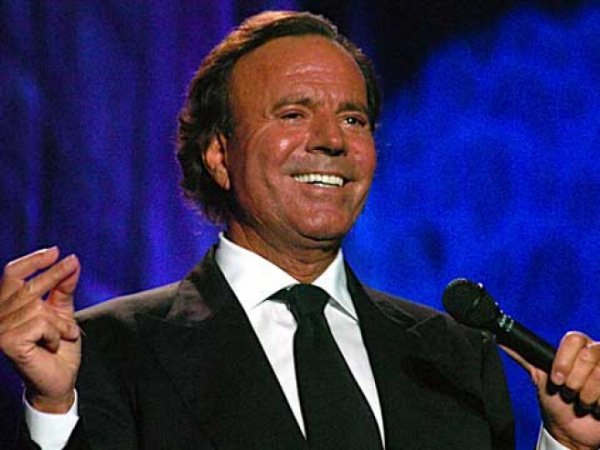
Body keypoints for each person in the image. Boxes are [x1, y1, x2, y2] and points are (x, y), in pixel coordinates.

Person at [1, 10, 600, 450]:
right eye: (293, 114)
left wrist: (567, 443)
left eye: (353, 119)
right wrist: (52, 410)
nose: (332, 140)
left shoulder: (454, 357)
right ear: (219, 154)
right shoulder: (109, 350)